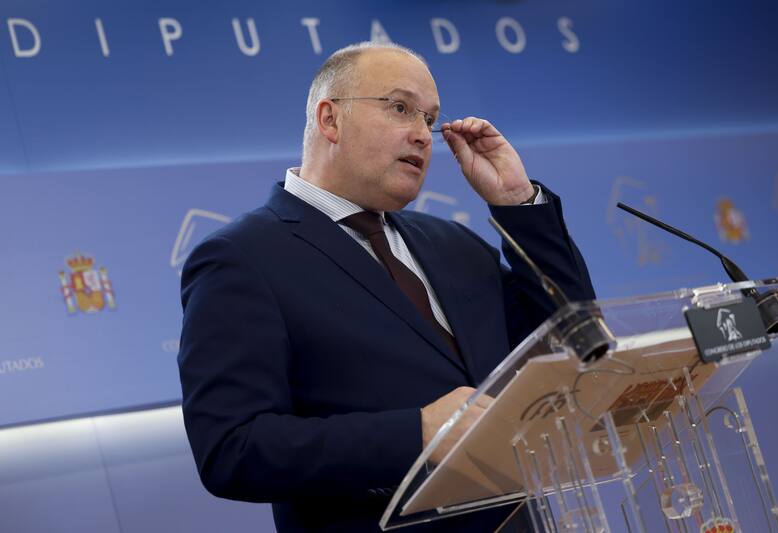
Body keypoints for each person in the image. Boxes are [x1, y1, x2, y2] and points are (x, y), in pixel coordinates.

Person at [178, 41, 595, 532]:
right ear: (330, 120)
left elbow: (574, 341)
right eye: (401, 108)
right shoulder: (242, 258)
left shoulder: (453, 244)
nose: (422, 134)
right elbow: (233, 449)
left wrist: (517, 203)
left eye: (429, 119)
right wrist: (415, 433)